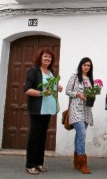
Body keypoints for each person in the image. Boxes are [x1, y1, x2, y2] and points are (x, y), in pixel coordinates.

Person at [24, 47, 63, 175]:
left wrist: (57, 87)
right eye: (45, 56)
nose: (47, 59)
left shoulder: (51, 71)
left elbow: (51, 87)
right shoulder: (33, 71)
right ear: (40, 57)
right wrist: (41, 92)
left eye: (50, 57)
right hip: (37, 109)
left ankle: (39, 163)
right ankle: (30, 165)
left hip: (48, 109)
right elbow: (27, 89)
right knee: (34, 137)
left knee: (42, 137)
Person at [66, 57, 94, 174]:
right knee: (82, 133)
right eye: (84, 65)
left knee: (79, 135)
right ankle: (83, 163)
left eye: (88, 65)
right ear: (81, 66)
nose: (86, 67)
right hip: (76, 108)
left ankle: (77, 162)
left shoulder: (89, 79)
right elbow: (67, 91)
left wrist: (92, 96)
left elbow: (91, 93)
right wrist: (78, 94)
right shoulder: (75, 77)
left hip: (86, 109)